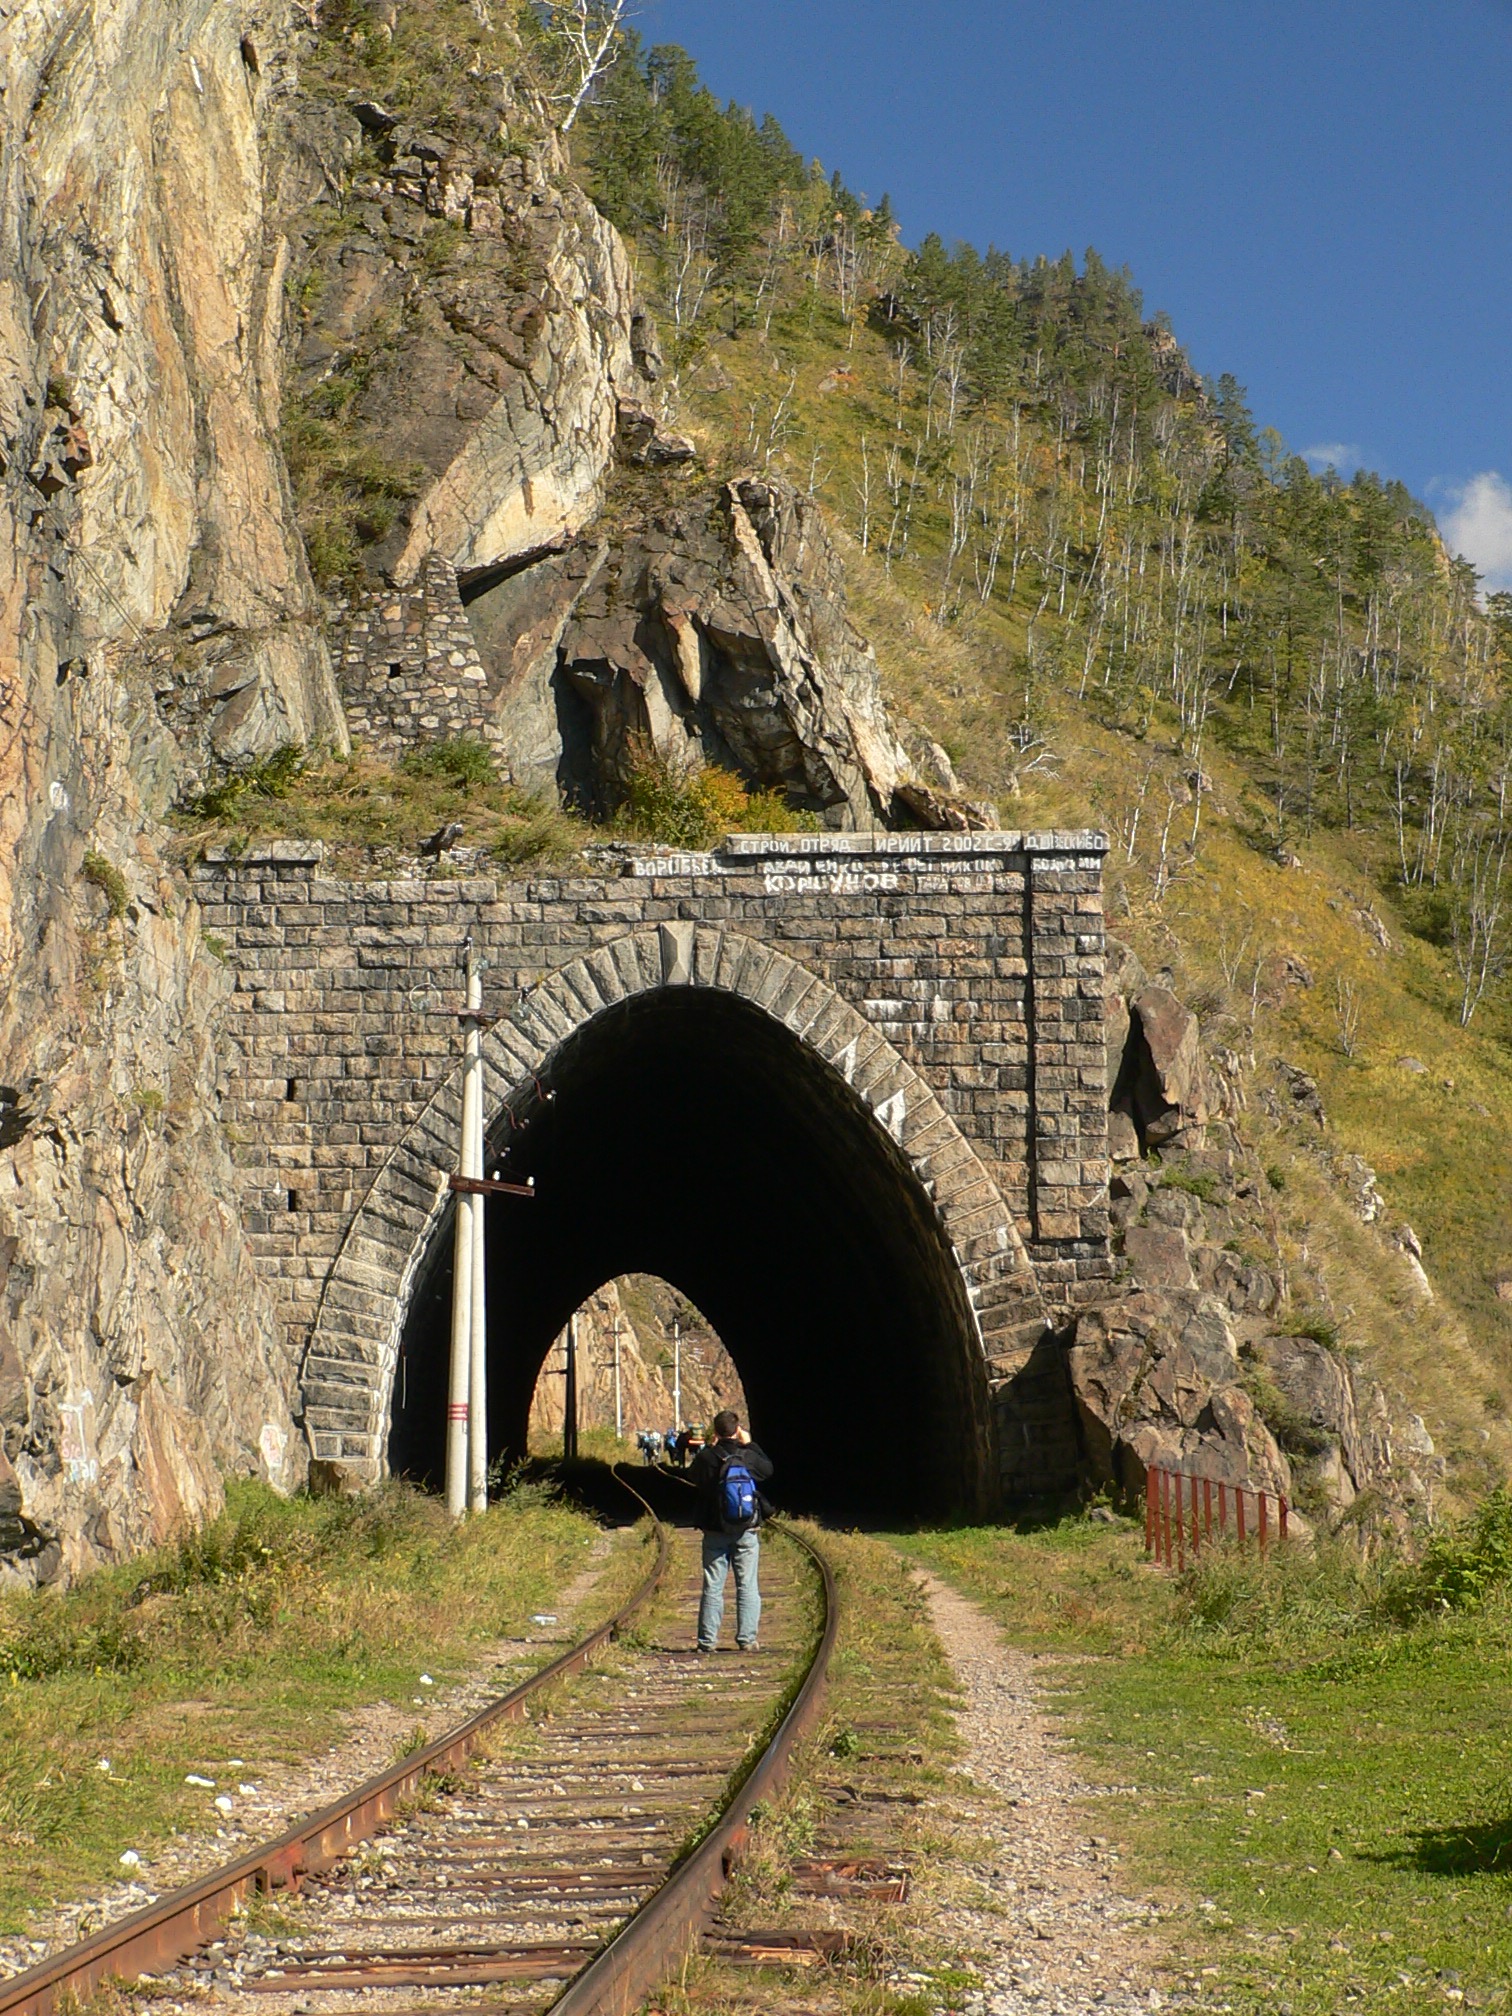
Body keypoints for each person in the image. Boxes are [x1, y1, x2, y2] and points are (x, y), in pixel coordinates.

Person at [689, 1409, 773, 1654]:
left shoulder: (707, 1457)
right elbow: (768, 1470)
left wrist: (708, 1449)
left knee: (713, 1586)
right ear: (737, 1430)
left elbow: (693, 1476)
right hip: (746, 1529)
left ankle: (707, 1642)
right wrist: (752, 1444)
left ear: (715, 1432)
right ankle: (747, 1639)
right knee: (747, 1585)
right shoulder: (748, 1455)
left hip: (715, 1530)